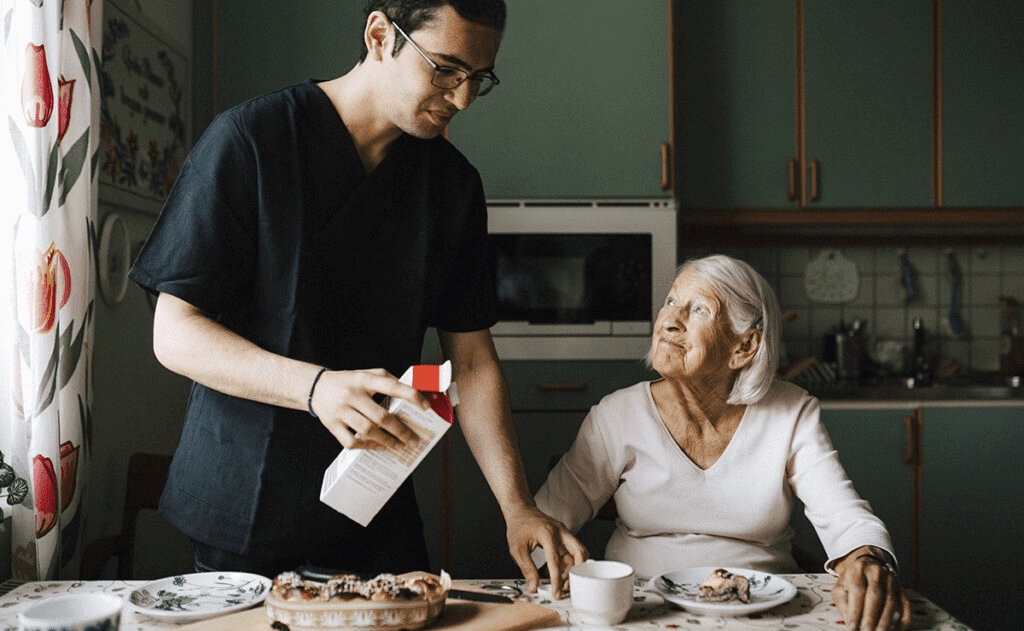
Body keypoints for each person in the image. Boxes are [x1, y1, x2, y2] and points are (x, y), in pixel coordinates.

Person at [129, 0, 584, 597]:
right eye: (446, 69)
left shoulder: (452, 186)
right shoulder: (251, 140)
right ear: (378, 35)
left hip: (376, 501)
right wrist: (316, 388)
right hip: (246, 499)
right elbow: (175, 332)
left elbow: (471, 361)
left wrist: (518, 506)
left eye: (479, 78)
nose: (463, 98)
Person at [536, 255, 912, 630]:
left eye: (698, 310)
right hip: (642, 614)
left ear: (744, 347)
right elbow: (541, 524)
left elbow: (844, 516)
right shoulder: (617, 415)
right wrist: (556, 560)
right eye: (670, 302)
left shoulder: (790, 413)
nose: (669, 320)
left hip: (763, 615)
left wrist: (867, 560)